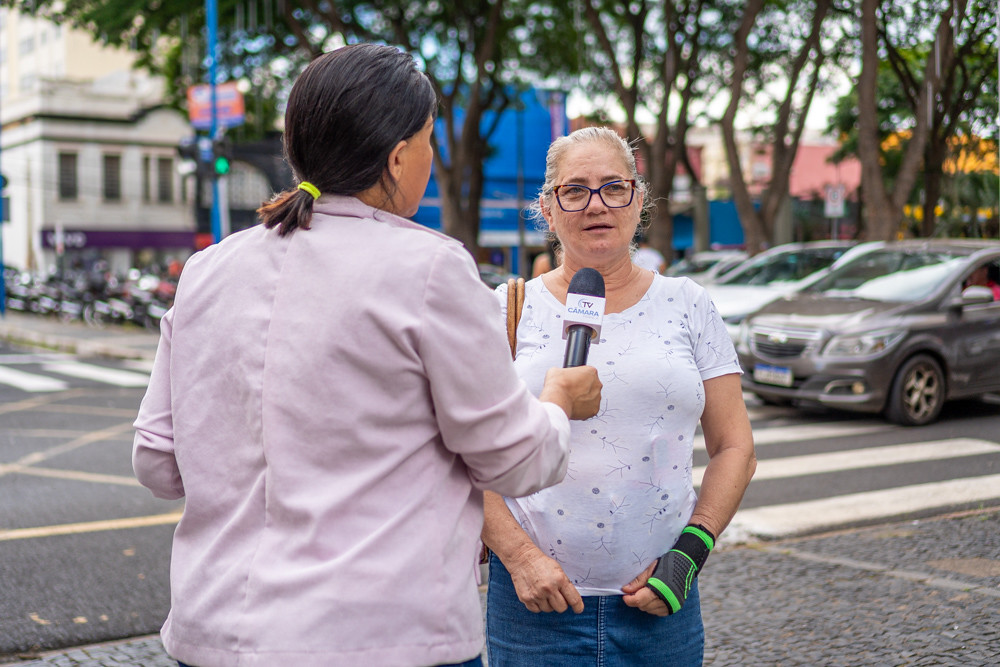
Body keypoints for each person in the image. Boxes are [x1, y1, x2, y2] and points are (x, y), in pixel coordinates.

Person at [132, 44, 602, 667]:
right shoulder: (429, 267)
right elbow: (514, 459)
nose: (430, 160)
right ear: (399, 155)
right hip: (380, 636)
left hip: (212, 630)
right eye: (430, 142)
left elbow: (157, 464)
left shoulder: (206, 271)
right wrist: (559, 400)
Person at [483, 126, 756, 666]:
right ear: (547, 206)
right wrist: (519, 559)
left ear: (638, 197)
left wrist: (689, 555)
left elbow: (735, 447)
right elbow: (461, 459)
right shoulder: (506, 310)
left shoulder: (687, 304)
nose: (596, 204)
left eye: (613, 186)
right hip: (533, 609)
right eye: (575, 189)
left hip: (661, 610)